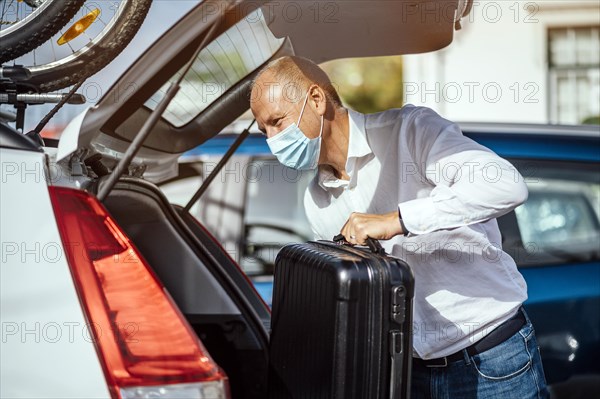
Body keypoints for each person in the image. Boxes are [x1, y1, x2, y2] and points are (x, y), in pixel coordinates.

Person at [250, 55, 549, 398]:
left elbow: (506, 186)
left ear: (316, 100)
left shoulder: (411, 130)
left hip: (493, 358)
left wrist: (397, 220)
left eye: (277, 122)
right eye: (264, 131)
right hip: (410, 373)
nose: (272, 141)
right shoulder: (315, 199)